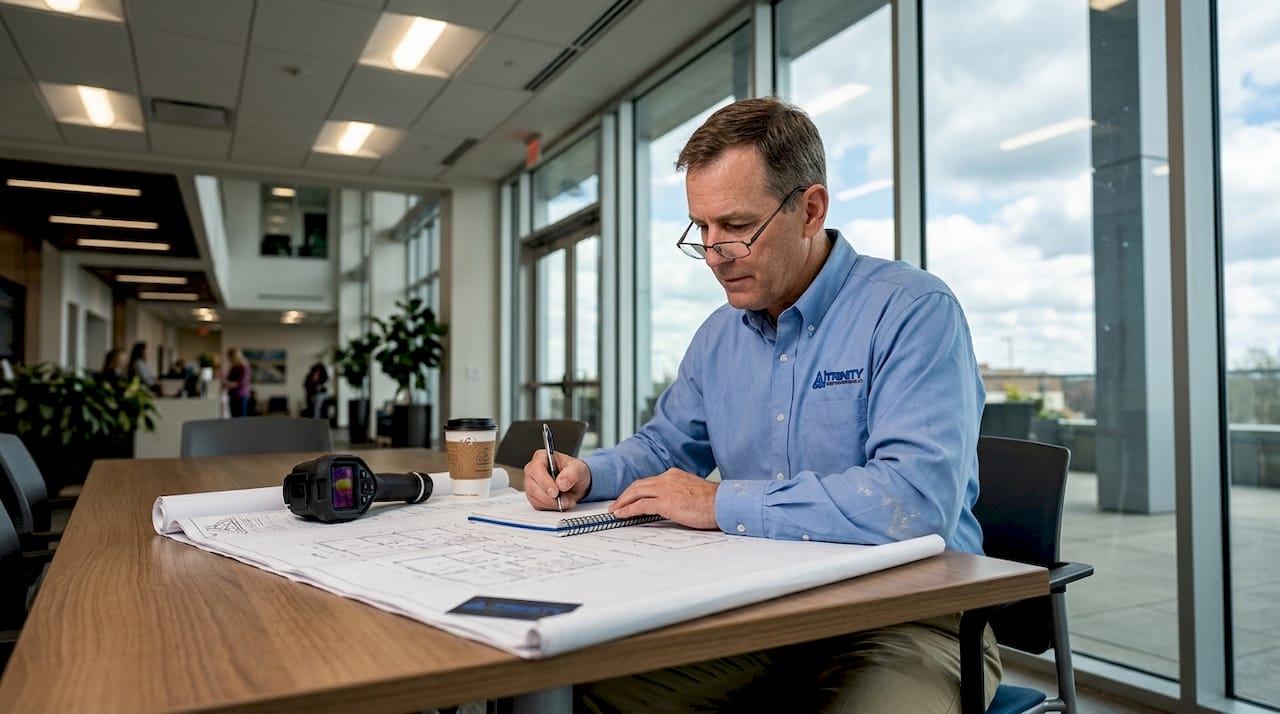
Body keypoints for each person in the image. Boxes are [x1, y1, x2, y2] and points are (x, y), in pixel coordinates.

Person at [523, 97, 998, 712]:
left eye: (738, 226)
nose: (716, 253)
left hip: (910, 618)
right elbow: (665, 448)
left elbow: (913, 500)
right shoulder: (719, 335)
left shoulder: (912, 311)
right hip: (760, 612)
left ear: (811, 209)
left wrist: (722, 501)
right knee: (586, 696)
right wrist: (592, 474)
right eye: (703, 229)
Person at [224, 347, 252, 417]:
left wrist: (230, 384)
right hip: (232, 395)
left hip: (241, 395)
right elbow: (229, 379)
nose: (229, 360)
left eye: (230, 358)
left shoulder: (243, 367)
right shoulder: (234, 367)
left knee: (241, 417)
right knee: (234, 417)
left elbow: (242, 382)